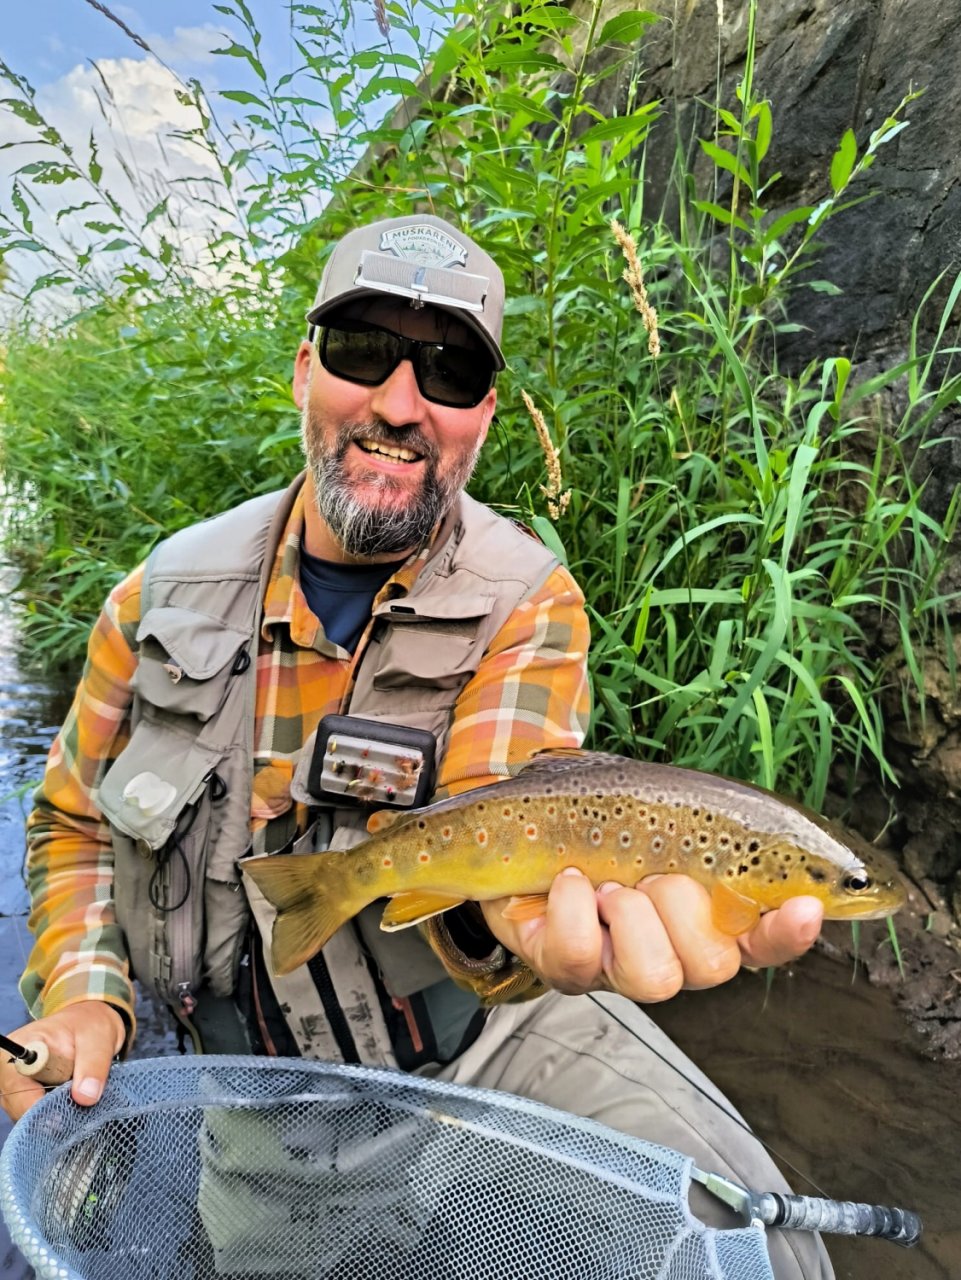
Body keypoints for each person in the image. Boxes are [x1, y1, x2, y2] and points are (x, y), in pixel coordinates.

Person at [5, 213, 831, 1278]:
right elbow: (70, 820)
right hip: (259, 1080)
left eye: (446, 370)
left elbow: (503, 797)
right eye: (362, 352)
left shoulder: (527, 599)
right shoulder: (158, 594)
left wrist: (523, 926)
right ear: (304, 369)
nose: (401, 404)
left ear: (483, 413)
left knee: (753, 1230)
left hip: (487, 1038)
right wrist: (84, 991)